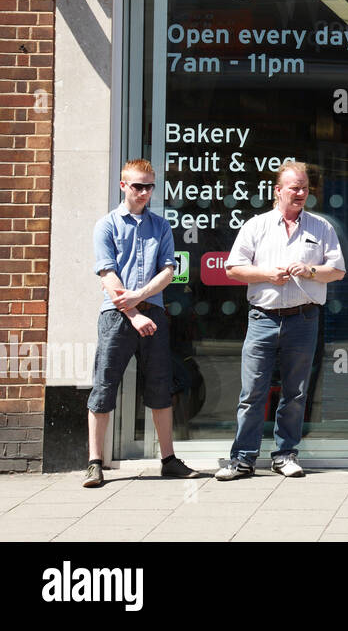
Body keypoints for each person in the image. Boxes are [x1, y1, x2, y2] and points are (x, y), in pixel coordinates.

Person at [215, 161, 346, 480]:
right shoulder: (256, 226)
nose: (301, 193)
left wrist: (310, 270)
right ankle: (243, 458)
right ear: (278, 191)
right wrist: (267, 275)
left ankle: (285, 454)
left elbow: (338, 270)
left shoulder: (321, 227)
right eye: (294, 187)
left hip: (303, 318)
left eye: (304, 187)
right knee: (252, 392)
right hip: (263, 318)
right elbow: (233, 269)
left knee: (296, 391)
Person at [85, 159, 203, 487]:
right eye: (137, 186)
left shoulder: (160, 226)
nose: (144, 192)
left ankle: (168, 459)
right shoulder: (106, 225)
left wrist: (140, 298)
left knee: (160, 385)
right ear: (123, 185)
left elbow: (168, 271)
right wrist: (133, 312)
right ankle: (95, 462)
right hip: (116, 316)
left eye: (149, 186)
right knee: (105, 385)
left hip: (152, 313)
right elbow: (107, 273)